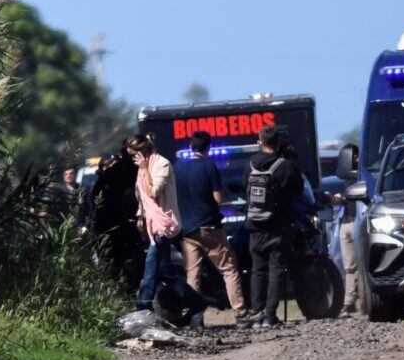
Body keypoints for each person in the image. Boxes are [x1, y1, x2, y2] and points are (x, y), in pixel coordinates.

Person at [128, 134, 214, 328]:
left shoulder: (162, 165)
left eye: (134, 155)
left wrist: (144, 169)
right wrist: (140, 215)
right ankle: (198, 303)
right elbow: (141, 195)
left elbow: (152, 191)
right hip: (152, 224)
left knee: (150, 270)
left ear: (142, 153)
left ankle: (141, 312)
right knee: (165, 271)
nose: (132, 159)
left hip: (164, 225)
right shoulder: (142, 169)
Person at [172, 130, 252, 328]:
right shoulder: (209, 166)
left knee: (193, 274)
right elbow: (218, 199)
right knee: (229, 269)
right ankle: (241, 314)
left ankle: (195, 317)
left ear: (191, 146)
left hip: (187, 230)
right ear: (208, 146)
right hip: (209, 227)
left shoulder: (178, 166)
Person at [244, 126, 316, 328]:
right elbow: (298, 191)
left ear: (260, 141)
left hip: (254, 226)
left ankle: (256, 315)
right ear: (278, 142)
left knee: (258, 270)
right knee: (276, 270)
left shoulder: (249, 165)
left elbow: (245, 189)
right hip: (278, 225)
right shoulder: (286, 166)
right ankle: (269, 315)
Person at [333, 145, 363, 315]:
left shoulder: (365, 174)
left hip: (358, 222)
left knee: (361, 266)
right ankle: (349, 301)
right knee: (349, 267)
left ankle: (364, 299)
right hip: (347, 222)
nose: (355, 159)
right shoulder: (346, 179)